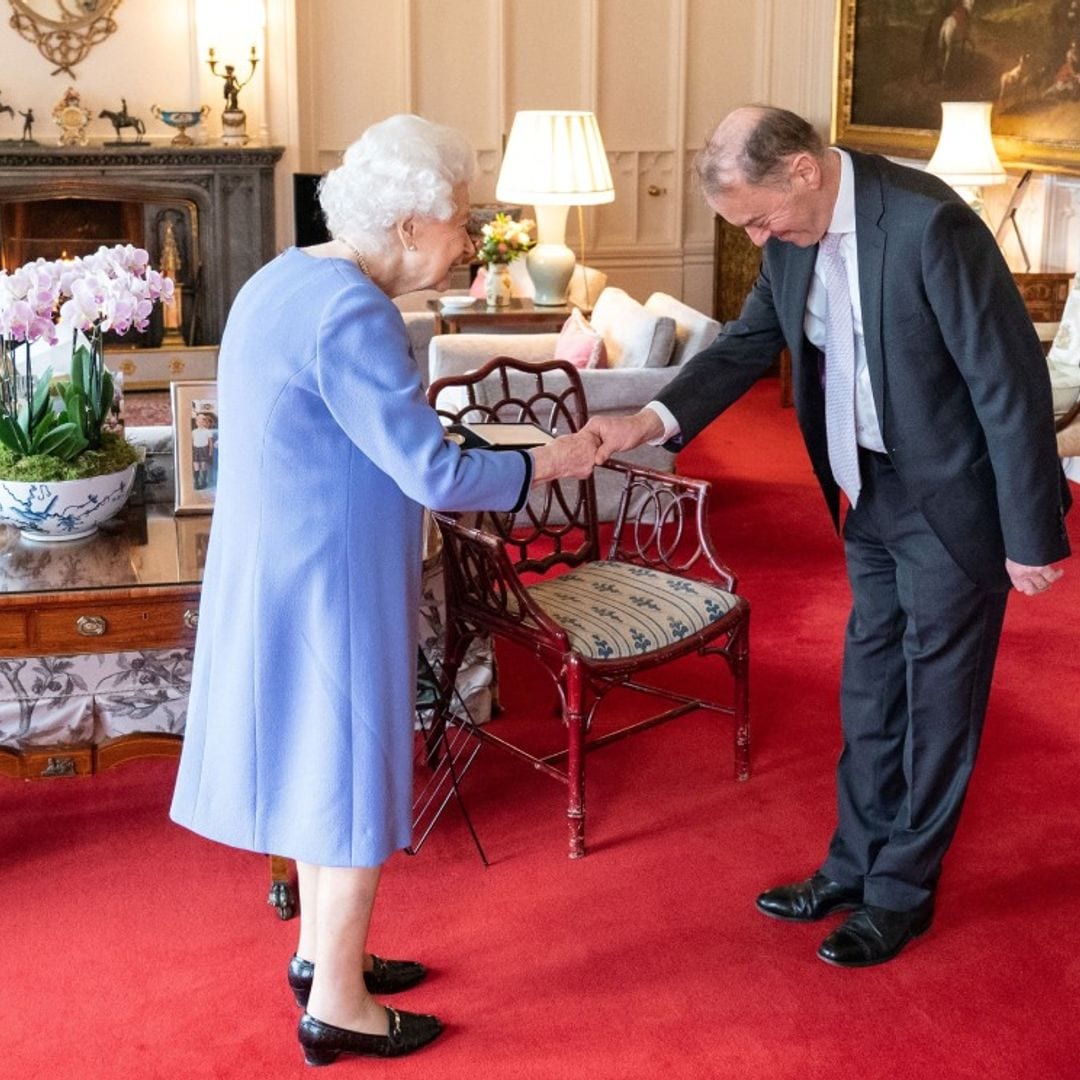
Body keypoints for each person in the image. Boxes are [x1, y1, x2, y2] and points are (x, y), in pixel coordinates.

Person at [584, 105, 1071, 968]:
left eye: (758, 216)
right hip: (862, 490)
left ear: (804, 170)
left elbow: (1008, 382)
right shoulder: (787, 240)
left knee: (937, 704)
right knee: (870, 688)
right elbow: (745, 347)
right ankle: (852, 865)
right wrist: (649, 419)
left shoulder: (930, 226)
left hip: (949, 503)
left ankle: (901, 893)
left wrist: (1032, 532)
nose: (757, 235)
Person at [169, 114, 598, 1065]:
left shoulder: (286, 277)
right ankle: (339, 1010)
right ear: (409, 224)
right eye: (461, 222)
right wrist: (551, 461)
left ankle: (328, 960)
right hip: (334, 579)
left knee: (322, 765)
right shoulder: (353, 311)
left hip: (282, 561)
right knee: (354, 772)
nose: (470, 241)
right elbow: (434, 477)